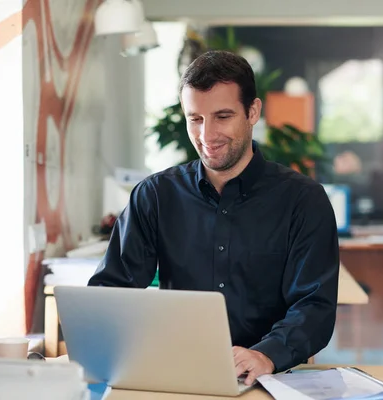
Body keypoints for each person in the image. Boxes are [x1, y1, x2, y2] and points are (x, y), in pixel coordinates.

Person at [88, 50, 340, 386]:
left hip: (268, 379)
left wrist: (267, 354)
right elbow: (112, 292)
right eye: (195, 118)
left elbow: (314, 306)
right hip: (174, 374)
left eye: (222, 116)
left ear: (253, 112)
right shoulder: (154, 196)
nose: (207, 136)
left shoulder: (303, 200)